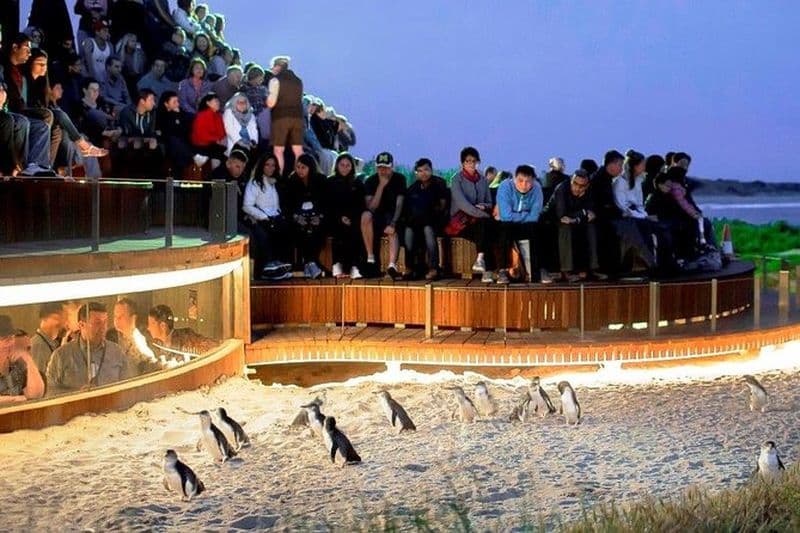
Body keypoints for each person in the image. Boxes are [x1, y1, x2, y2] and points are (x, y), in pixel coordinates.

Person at [46, 302, 133, 394]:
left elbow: (128, 387)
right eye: (97, 323)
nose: (103, 328)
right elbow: (49, 391)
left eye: (105, 322)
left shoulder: (117, 352)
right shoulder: (61, 356)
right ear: (81, 325)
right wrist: (76, 393)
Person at [542, 169, 603, 281]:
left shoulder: (589, 191)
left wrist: (578, 218)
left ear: (587, 185)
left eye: (582, 185)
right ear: (571, 181)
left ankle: (592, 268)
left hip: (576, 220)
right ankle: (566, 270)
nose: (578, 188)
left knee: (591, 226)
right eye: (575, 183)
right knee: (565, 227)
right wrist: (583, 213)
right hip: (551, 220)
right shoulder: (562, 189)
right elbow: (562, 215)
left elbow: (592, 212)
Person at [242, 153, 292, 280]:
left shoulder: (276, 182)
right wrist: (263, 216)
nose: (270, 168)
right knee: (265, 236)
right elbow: (247, 206)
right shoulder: (254, 183)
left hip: (276, 218)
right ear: (262, 166)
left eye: (273, 165)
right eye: (267, 165)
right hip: (261, 219)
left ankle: (280, 266)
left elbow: (277, 205)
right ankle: (267, 268)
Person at [448, 146, 495, 283]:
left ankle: (481, 261)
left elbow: (489, 203)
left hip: (479, 219)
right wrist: (482, 214)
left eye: (474, 161)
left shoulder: (483, 180)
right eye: (468, 161)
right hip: (461, 221)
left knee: (488, 230)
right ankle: (488, 270)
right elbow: (462, 204)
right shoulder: (456, 180)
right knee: (485, 227)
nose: (471, 164)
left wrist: (483, 207)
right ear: (463, 163)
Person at [495, 164, 544, 284]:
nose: (524, 185)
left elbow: (535, 216)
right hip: (507, 224)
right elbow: (506, 216)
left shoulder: (537, 188)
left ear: (533, 181)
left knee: (541, 229)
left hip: (527, 225)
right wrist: (525, 214)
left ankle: (538, 271)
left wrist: (520, 215)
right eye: (520, 180)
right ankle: (502, 270)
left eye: (528, 182)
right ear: (514, 178)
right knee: (504, 230)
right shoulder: (505, 186)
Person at [402, 158, 449, 280]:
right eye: (420, 170)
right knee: (408, 231)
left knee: (428, 229)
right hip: (416, 221)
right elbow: (407, 209)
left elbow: (442, 206)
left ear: (431, 170)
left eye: (426, 170)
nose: (423, 173)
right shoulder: (413, 188)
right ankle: (410, 268)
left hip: (435, 220)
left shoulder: (439, 183)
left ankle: (434, 268)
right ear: (416, 173)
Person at [361, 151, 406, 279]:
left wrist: (393, 222)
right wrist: (381, 186)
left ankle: (392, 265)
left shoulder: (399, 178)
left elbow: (399, 204)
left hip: (393, 215)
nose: (383, 170)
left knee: (392, 231)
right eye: (380, 167)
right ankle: (370, 256)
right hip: (377, 215)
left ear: (392, 167)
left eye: (386, 167)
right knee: (365, 216)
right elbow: (371, 207)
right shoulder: (371, 181)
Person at [612, 150, 657, 273]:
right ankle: (649, 264)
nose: (644, 167)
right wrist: (643, 217)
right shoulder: (620, 182)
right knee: (640, 228)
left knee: (656, 226)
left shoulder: (638, 181)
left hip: (636, 214)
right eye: (642, 164)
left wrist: (644, 215)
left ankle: (652, 262)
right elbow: (622, 207)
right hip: (624, 216)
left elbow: (639, 204)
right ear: (635, 166)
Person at [285, 153, 327, 279]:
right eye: (298, 167)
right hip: (298, 216)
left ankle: (311, 262)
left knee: (318, 228)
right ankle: (312, 263)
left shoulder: (320, 180)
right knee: (300, 229)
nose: (300, 170)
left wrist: (319, 217)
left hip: (317, 215)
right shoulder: (292, 180)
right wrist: (296, 217)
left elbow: (326, 202)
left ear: (310, 168)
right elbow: (287, 204)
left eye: (303, 167)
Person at [326, 152, 366, 279]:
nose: (344, 168)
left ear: (352, 167)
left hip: (353, 218)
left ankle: (355, 266)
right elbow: (328, 204)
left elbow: (361, 205)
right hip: (334, 217)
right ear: (337, 166)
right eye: (342, 165)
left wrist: (351, 218)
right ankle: (336, 265)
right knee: (338, 229)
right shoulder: (330, 182)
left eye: (347, 165)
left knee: (355, 230)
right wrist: (340, 217)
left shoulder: (358, 183)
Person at [266, 55, 304, 175]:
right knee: (298, 150)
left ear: (277, 67)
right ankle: (300, 173)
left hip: (281, 117)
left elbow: (271, 102)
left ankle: (279, 175)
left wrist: (266, 101)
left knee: (278, 150)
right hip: (298, 118)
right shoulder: (298, 81)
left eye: (272, 68)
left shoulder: (275, 80)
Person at [147, 305, 218, 363]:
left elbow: (214, 347)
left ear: (163, 326)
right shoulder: (155, 345)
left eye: (151, 324)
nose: (148, 328)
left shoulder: (186, 336)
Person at [107, 298, 162, 373]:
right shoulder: (110, 337)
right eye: (115, 316)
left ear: (133, 318)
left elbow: (151, 363)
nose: (117, 320)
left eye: (121, 316)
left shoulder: (142, 339)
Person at [0, 316, 45, 403]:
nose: (10, 344)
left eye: (11, 338)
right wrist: (16, 399)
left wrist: (28, 359)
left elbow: (37, 394)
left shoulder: (17, 365)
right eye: (5, 339)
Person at [117, 87, 159, 177]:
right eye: (151, 100)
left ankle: (155, 183)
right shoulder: (126, 112)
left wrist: (152, 138)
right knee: (135, 145)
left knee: (157, 148)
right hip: (129, 143)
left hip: (145, 142)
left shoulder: (152, 113)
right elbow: (127, 133)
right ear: (142, 101)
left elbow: (151, 131)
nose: (154, 103)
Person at [156, 90, 193, 173]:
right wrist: (175, 116)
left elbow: (185, 129)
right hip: (168, 143)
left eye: (177, 101)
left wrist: (178, 116)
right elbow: (167, 132)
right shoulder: (160, 115)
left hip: (183, 143)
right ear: (166, 104)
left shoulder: (182, 113)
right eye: (174, 102)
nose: (178, 104)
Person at [29, 302, 64, 381]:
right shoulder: (38, 345)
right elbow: (39, 379)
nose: (61, 322)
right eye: (56, 318)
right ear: (44, 319)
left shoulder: (52, 343)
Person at [190, 92, 226, 166]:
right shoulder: (202, 115)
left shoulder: (218, 115)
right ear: (208, 103)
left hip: (212, 144)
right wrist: (217, 139)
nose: (218, 103)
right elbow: (201, 136)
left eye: (218, 101)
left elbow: (222, 133)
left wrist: (219, 139)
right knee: (221, 154)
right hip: (201, 146)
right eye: (215, 101)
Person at [242, 64, 271, 152]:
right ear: (255, 77)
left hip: (263, 118)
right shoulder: (244, 89)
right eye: (261, 78)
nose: (262, 80)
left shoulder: (263, 89)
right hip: (251, 117)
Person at [222, 91, 257, 156]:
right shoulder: (229, 112)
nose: (242, 104)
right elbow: (229, 129)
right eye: (239, 102)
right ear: (234, 103)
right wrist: (240, 141)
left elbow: (254, 129)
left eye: (244, 102)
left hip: (249, 145)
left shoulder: (251, 115)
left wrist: (254, 141)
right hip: (234, 143)